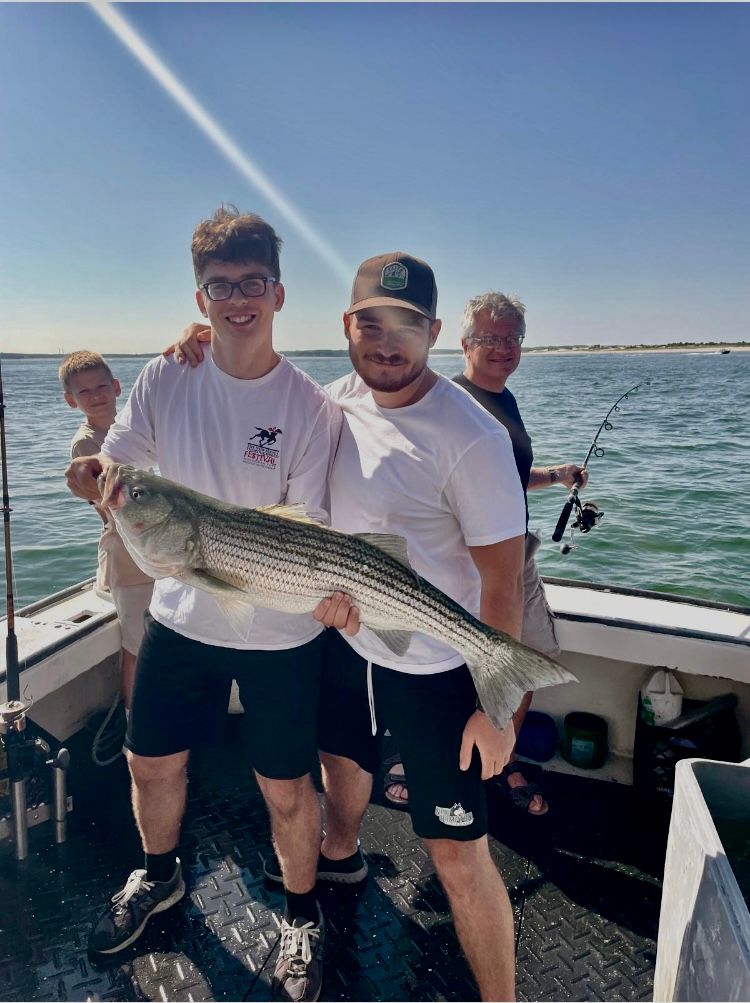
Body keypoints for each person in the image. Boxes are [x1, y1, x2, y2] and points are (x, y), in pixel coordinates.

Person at [166, 252, 531, 1001]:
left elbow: (502, 581)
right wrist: (204, 344)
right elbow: (253, 388)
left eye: (407, 326)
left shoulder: (473, 436)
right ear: (346, 325)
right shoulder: (330, 402)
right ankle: (341, 850)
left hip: (435, 667)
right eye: (371, 323)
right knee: (339, 761)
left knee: (457, 856)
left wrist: (498, 711)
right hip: (344, 639)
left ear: (434, 332)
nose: (387, 343)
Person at [65, 207, 342, 1003]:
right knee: (149, 762)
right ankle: (159, 875)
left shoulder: (310, 406)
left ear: (279, 293)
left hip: (280, 627)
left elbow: (309, 524)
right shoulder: (166, 376)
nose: (238, 299)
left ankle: (301, 913)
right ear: (200, 297)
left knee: (286, 787)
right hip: (181, 613)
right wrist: (92, 479)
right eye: (221, 286)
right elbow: (117, 464)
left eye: (253, 282)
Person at [383, 293, 587, 817]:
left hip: (515, 559)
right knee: (448, 665)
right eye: (489, 338)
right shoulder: (451, 404)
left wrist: (556, 476)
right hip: (462, 568)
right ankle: (418, 758)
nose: (502, 348)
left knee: (530, 661)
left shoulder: (506, 401)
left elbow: (506, 478)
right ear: (463, 343)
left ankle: (497, 758)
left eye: (512, 338)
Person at [60, 350, 154, 712]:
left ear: (116, 387)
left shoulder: (133, 429)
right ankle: (132, 719)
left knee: (159, 638)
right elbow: (110, 507)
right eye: (84, 392)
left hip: (152, 549)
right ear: (71, 400)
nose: (96, 395)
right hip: (125, 556)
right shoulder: (86, 445)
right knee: (136, 645)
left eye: (101, 386)